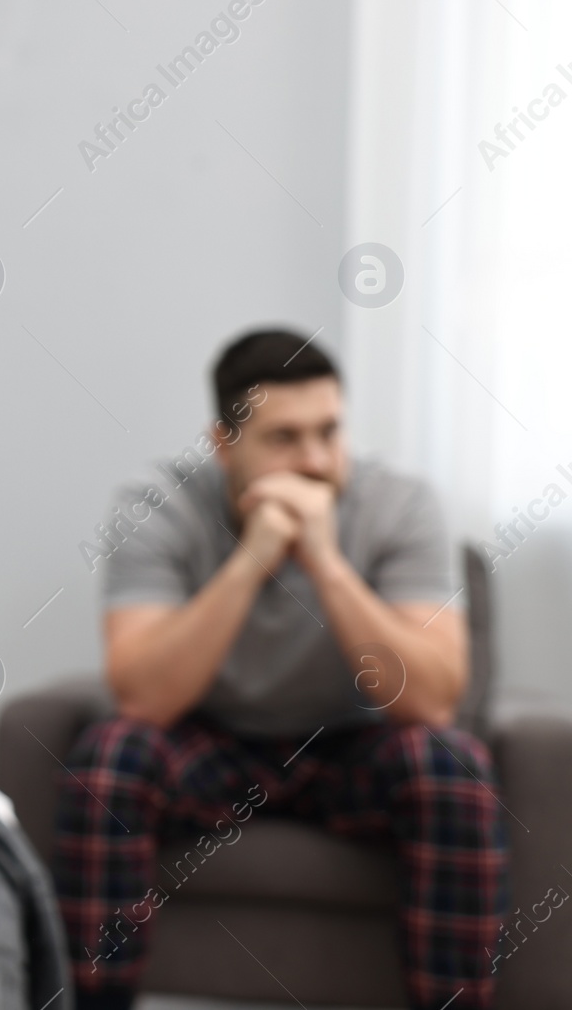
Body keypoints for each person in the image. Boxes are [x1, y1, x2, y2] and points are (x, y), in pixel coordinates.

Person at [58, 328, 509, 1010]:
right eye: (285, 438)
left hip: (352, 744)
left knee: (452, 763)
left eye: (330, 431)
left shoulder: (402, 504)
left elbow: (433, 701)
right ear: (223, 444)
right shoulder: (157, 504)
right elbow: (143, 698)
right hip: (214, 738)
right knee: (109, 754)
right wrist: (254, 559)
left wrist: (325, 562)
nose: (317, 461)